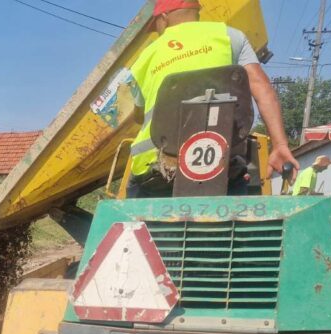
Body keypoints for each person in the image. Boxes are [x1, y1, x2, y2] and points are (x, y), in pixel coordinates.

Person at [122, 0, 298, 197]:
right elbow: (262, 88)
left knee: (133, 209)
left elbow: (139, 116)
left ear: (163, 17)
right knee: (238, 179)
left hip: (155, 169)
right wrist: (280, 145)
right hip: (219, 163)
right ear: (196, 12)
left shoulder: (145, 57)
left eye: (155, 26)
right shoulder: (229, 37)